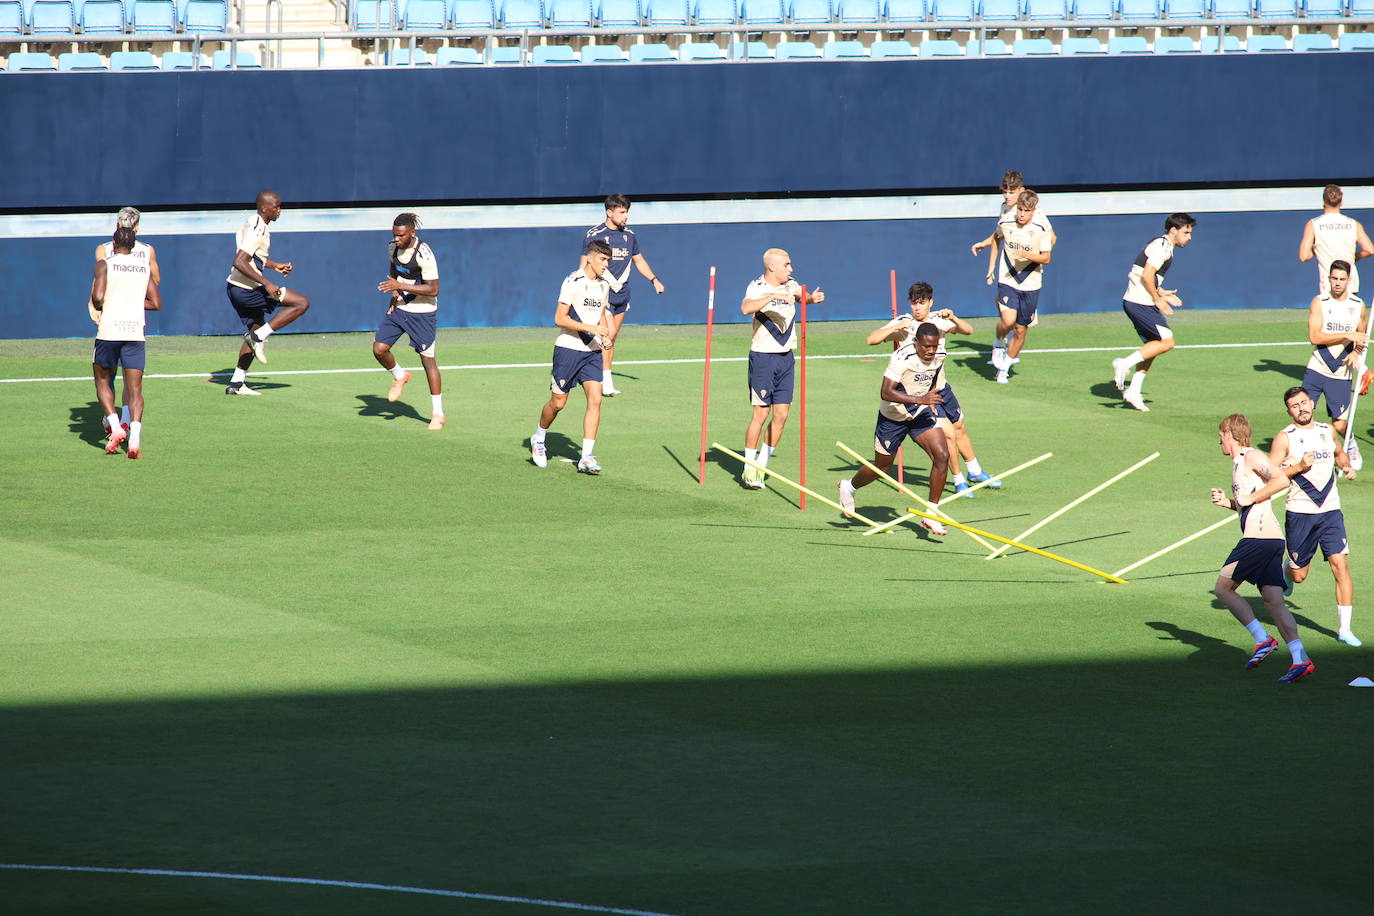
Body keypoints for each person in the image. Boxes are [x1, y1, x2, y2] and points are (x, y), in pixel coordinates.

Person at [865, 282, 1001, 498]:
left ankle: (975, 471)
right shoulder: (904, 323)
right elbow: (871, 339)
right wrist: (896, 328)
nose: (917, 308)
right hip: (917, 393)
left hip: (941, 386)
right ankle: (958, 481)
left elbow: (968, 330)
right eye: (914, 303)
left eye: (922, 303)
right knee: (946, 434)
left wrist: (953, 317)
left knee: (959, 427)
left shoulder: (939, 319)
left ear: (931, 303)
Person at [1211, 413, 1314, 683]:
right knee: (1273, 601)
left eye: (1221, 435)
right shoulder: (1238, 463)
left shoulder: (1250, 456)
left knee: (1223, 588)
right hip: (1269, 539)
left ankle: (1262, 640)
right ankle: (1300, 658)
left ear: (1230, 433)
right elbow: (1250, 501)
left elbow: (1280, 480)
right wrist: (1229, 503)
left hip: (1258, 539)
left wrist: (1249, 497)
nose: (1219, 440)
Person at [1269, 386, 1361, 647]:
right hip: (1300, 513)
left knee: (1340, 565)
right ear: (1289, 411)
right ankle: (1287, 570)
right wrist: (1298, 467)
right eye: (1295, 406)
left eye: (1304, 403)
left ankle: (1345, 628)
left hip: (1331, 511)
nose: (1302, 408)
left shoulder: (1327, 431)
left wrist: (1346, 466)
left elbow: (1340, 454)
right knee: (1300, 575)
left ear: (1312, 403)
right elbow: (1270, 473)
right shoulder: (1284, 438)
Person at [838, 323, 950, 535]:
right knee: (882, 467)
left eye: (934, 346)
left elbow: (935, 376)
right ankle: (848, 487)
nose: (930, 351)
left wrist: (930, 398)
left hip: (920, 412)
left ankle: (931, 514)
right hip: (892, 418)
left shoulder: (940, 353)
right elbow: (886, 392)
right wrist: (921, 398)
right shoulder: (901, 358)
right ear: (916, 342)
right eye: (926, 346)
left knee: (942, 455)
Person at [739, 248, 825, 489]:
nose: (791, 269)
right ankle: (748, 468)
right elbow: (746, 308)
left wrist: (811, 298)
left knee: (782, 415)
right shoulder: (757, 286)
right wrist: (772, 297)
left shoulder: (791, 284)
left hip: (786, 358)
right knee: (761, 414)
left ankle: (761, 466)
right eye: (787, 265)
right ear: (772, 268)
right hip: (763, 358)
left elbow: (801, 296)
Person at [530, 240, 615, 474]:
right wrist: (591, 327)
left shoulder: (603, 286)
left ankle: (586, 457)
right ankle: (539, 438)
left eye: (608, 261)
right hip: (568, 349)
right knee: (558, 403)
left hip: (592, 352)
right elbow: (559, 318)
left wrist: (605, 335)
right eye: (602, 259)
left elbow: (601, 315)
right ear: (590, 258)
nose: (606, 265)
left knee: (596, 399)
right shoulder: (573, 282)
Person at [224, 190, 311, 395]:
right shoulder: (257, 229)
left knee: (255, 329)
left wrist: (274, 266)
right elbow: (239, 261)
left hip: (236, 288)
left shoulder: (254, 222)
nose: (279, 210)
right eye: (276, 206)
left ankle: (236, 384)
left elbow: (253, 257)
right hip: (247, 290)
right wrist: (268, 283)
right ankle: (258, 337)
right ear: (264, 208)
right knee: (301, 303)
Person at [1111, 212, 1197, 412]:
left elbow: (1144, 274)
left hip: (1138, 300)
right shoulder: (1163, 247)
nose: (1189, 237)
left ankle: (1134, 389)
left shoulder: (1162, 244)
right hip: (1140, 302)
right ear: (1173, 230)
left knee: (1153, 345)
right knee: (1167, 342)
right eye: (1186, 232)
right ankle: (1124, 363)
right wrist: (1158, 300)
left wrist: (1161, 292)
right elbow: (1148, 274)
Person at [969, 172, 1056, 370]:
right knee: (1008, 317)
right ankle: (999, 343)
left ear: (1022, 191)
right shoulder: (1006, 210)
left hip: (1030, 273)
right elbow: (1001, 234)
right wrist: (986, 249)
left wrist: (1032, 252)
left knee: (1020, 327)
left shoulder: (1037, 213)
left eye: (1012, 191)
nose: (1007, 196)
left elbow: (1052, 239)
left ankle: (1008, 353)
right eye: (1005, 192)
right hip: (1009, 271)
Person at [581, 194, 665, 397]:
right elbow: (584, 265)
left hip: (623, 294)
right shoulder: (595, 234)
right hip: (603, 294)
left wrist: (654, 279)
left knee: (612, 338)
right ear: (609, 212)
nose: (626, 216)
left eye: (627, 212)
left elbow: (639, 261)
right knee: (606, 335)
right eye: (622, 212)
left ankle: (604, 378)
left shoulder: (630, 236)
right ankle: (602, 381)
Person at [89, 227, 162, 459]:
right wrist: (131, 302)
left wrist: (106, 304)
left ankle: (116, 426)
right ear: (133, 244)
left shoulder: (105, 264)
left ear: (113, 242)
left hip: (110, 331)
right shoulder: (143, 267)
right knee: (135, 390)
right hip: (135, 332)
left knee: (102, 380)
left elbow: (98, 297)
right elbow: (156, 302)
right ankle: (135, 437)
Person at [373, 213, 445, 431]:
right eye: (394, 235)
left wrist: (401, 288)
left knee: (427, 361)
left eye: (401, 235)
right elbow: (394, 271)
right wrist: (394, 297)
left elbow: (434, 289)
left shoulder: (424, 253)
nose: (397, 239)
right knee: (379, 349)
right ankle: (400, 375)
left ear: (412, 232)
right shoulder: (393, 247)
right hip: (400, 309)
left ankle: (438, 413)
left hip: (423, 312)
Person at [1297, 260, 1367, 441]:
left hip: (1341, 372)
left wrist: (1355, 352)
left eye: (1342, 279)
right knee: (1302, 413)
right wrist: (1346, 335)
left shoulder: (1358, 305)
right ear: (1328, 278)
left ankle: (1350, 446)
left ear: (1348, 280)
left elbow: (1361, 336)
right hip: (1317, 366)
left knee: (1339, 424)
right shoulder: (1320, 302)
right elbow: (1315, 337)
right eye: (1334, 278)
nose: (1337, 283)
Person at [1298, 184, 1373, 297]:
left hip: (1329, 284)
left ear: (1323, 202)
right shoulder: (1353, 224)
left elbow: (1304, 256)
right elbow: (1370, 250)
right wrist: (1356, 256)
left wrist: (1317, 249)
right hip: (1350, 282)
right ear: (1341, 202)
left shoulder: (1314, 224)